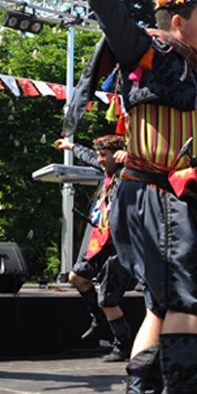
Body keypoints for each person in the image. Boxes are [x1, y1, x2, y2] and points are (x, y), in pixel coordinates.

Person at [63, 0, 197, 394]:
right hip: (155, 194)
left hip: (181, 200)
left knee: (162, 310)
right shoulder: (146, 50)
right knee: (182, 304)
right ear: (176, 21)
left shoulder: (196, 68)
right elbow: (109, 10)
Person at [55, 134, 138, 362]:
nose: (99, 160)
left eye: (104, 156)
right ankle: (99, 320)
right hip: (101, 243)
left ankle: (123, 346)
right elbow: (90, 156)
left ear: (117, 156)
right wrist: (71, 146)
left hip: (121, 248)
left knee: (108, 300)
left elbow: (151, 167)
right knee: (76, 277)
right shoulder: (108, 173)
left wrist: (132, 158)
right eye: (99, 155)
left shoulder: (129, 175)